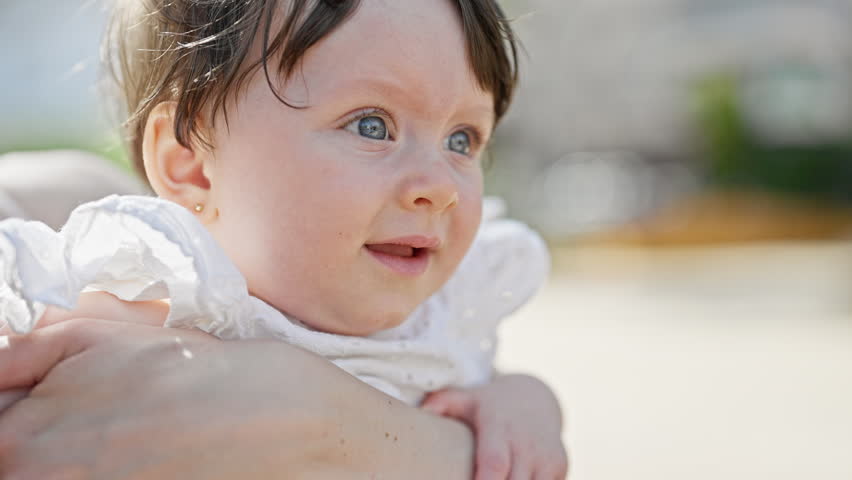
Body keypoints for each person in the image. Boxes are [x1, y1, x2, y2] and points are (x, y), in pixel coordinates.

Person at [0, 0, 568, 478]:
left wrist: (523, 403)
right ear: (192, 165)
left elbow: (482, 384)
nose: (441, 186)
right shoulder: (161, 311)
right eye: (372, 125)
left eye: (463, 139)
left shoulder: (447, 317)